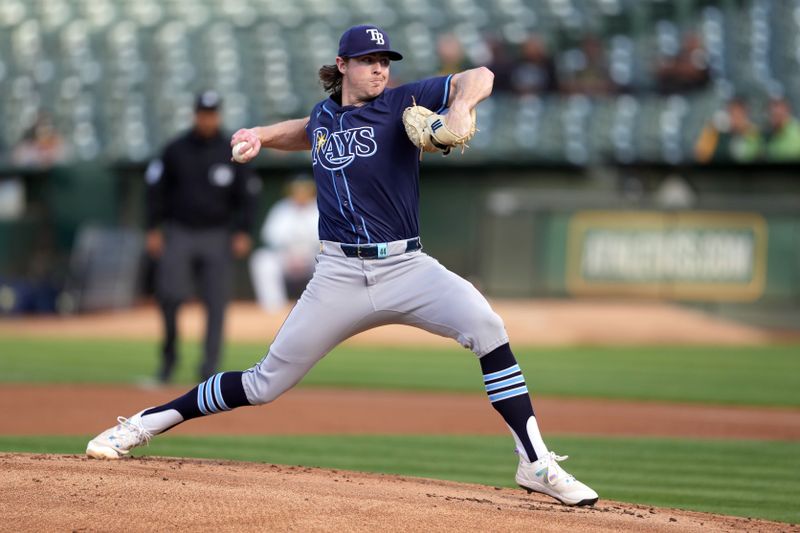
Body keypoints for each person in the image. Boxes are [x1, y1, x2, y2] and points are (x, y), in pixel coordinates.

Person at [87, 25, 598, 507]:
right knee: (264, 384)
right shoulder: (326, 117)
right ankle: (140, 425)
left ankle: (535, 463)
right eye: (369, 61)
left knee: (488, 325)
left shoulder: (402, 101)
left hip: (407, 267)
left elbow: (478, 76)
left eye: (384, 61)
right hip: (338, 276)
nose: (379, 69)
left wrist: (461, 107)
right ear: (343, 65)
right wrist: (261, 134)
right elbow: (306, 130)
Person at [143, 90, 258, 383]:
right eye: (203, 113)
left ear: (218, 115)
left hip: (217, 234)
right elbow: (156, 192)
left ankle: (209, 370)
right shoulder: (175, 149)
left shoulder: (230, 149)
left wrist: (243, 230)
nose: (207, 119)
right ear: (195, 114)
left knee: (216, 303)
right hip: (180, 232)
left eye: (212, 113)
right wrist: (153, 228)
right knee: (169, 296)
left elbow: (247, 195)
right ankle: (168, 362)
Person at [249, 175, 319, 312]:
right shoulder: (281, 208)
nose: (301, 193)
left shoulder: (320, 208)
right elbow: (269, 237)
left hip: (312, 256)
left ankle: (321, 307)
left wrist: (304, 254)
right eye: (298, 190)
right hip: (286, 256)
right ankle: (274, 309)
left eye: (305, 190)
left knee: (329, 261)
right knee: (263, 260)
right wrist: (290, 253)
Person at [694, 98, 762, 163]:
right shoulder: (716, 130)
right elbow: (701, 155)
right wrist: (712, 129)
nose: (736, 118)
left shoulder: (753, 133)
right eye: (732, 113)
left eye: (739, 114)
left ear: (746, 114)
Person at [764, 97, 800, 162]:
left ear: (787, 109)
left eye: (776, 105)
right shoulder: (767, 137)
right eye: (770, 107)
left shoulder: (797, 132)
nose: (773, 110)